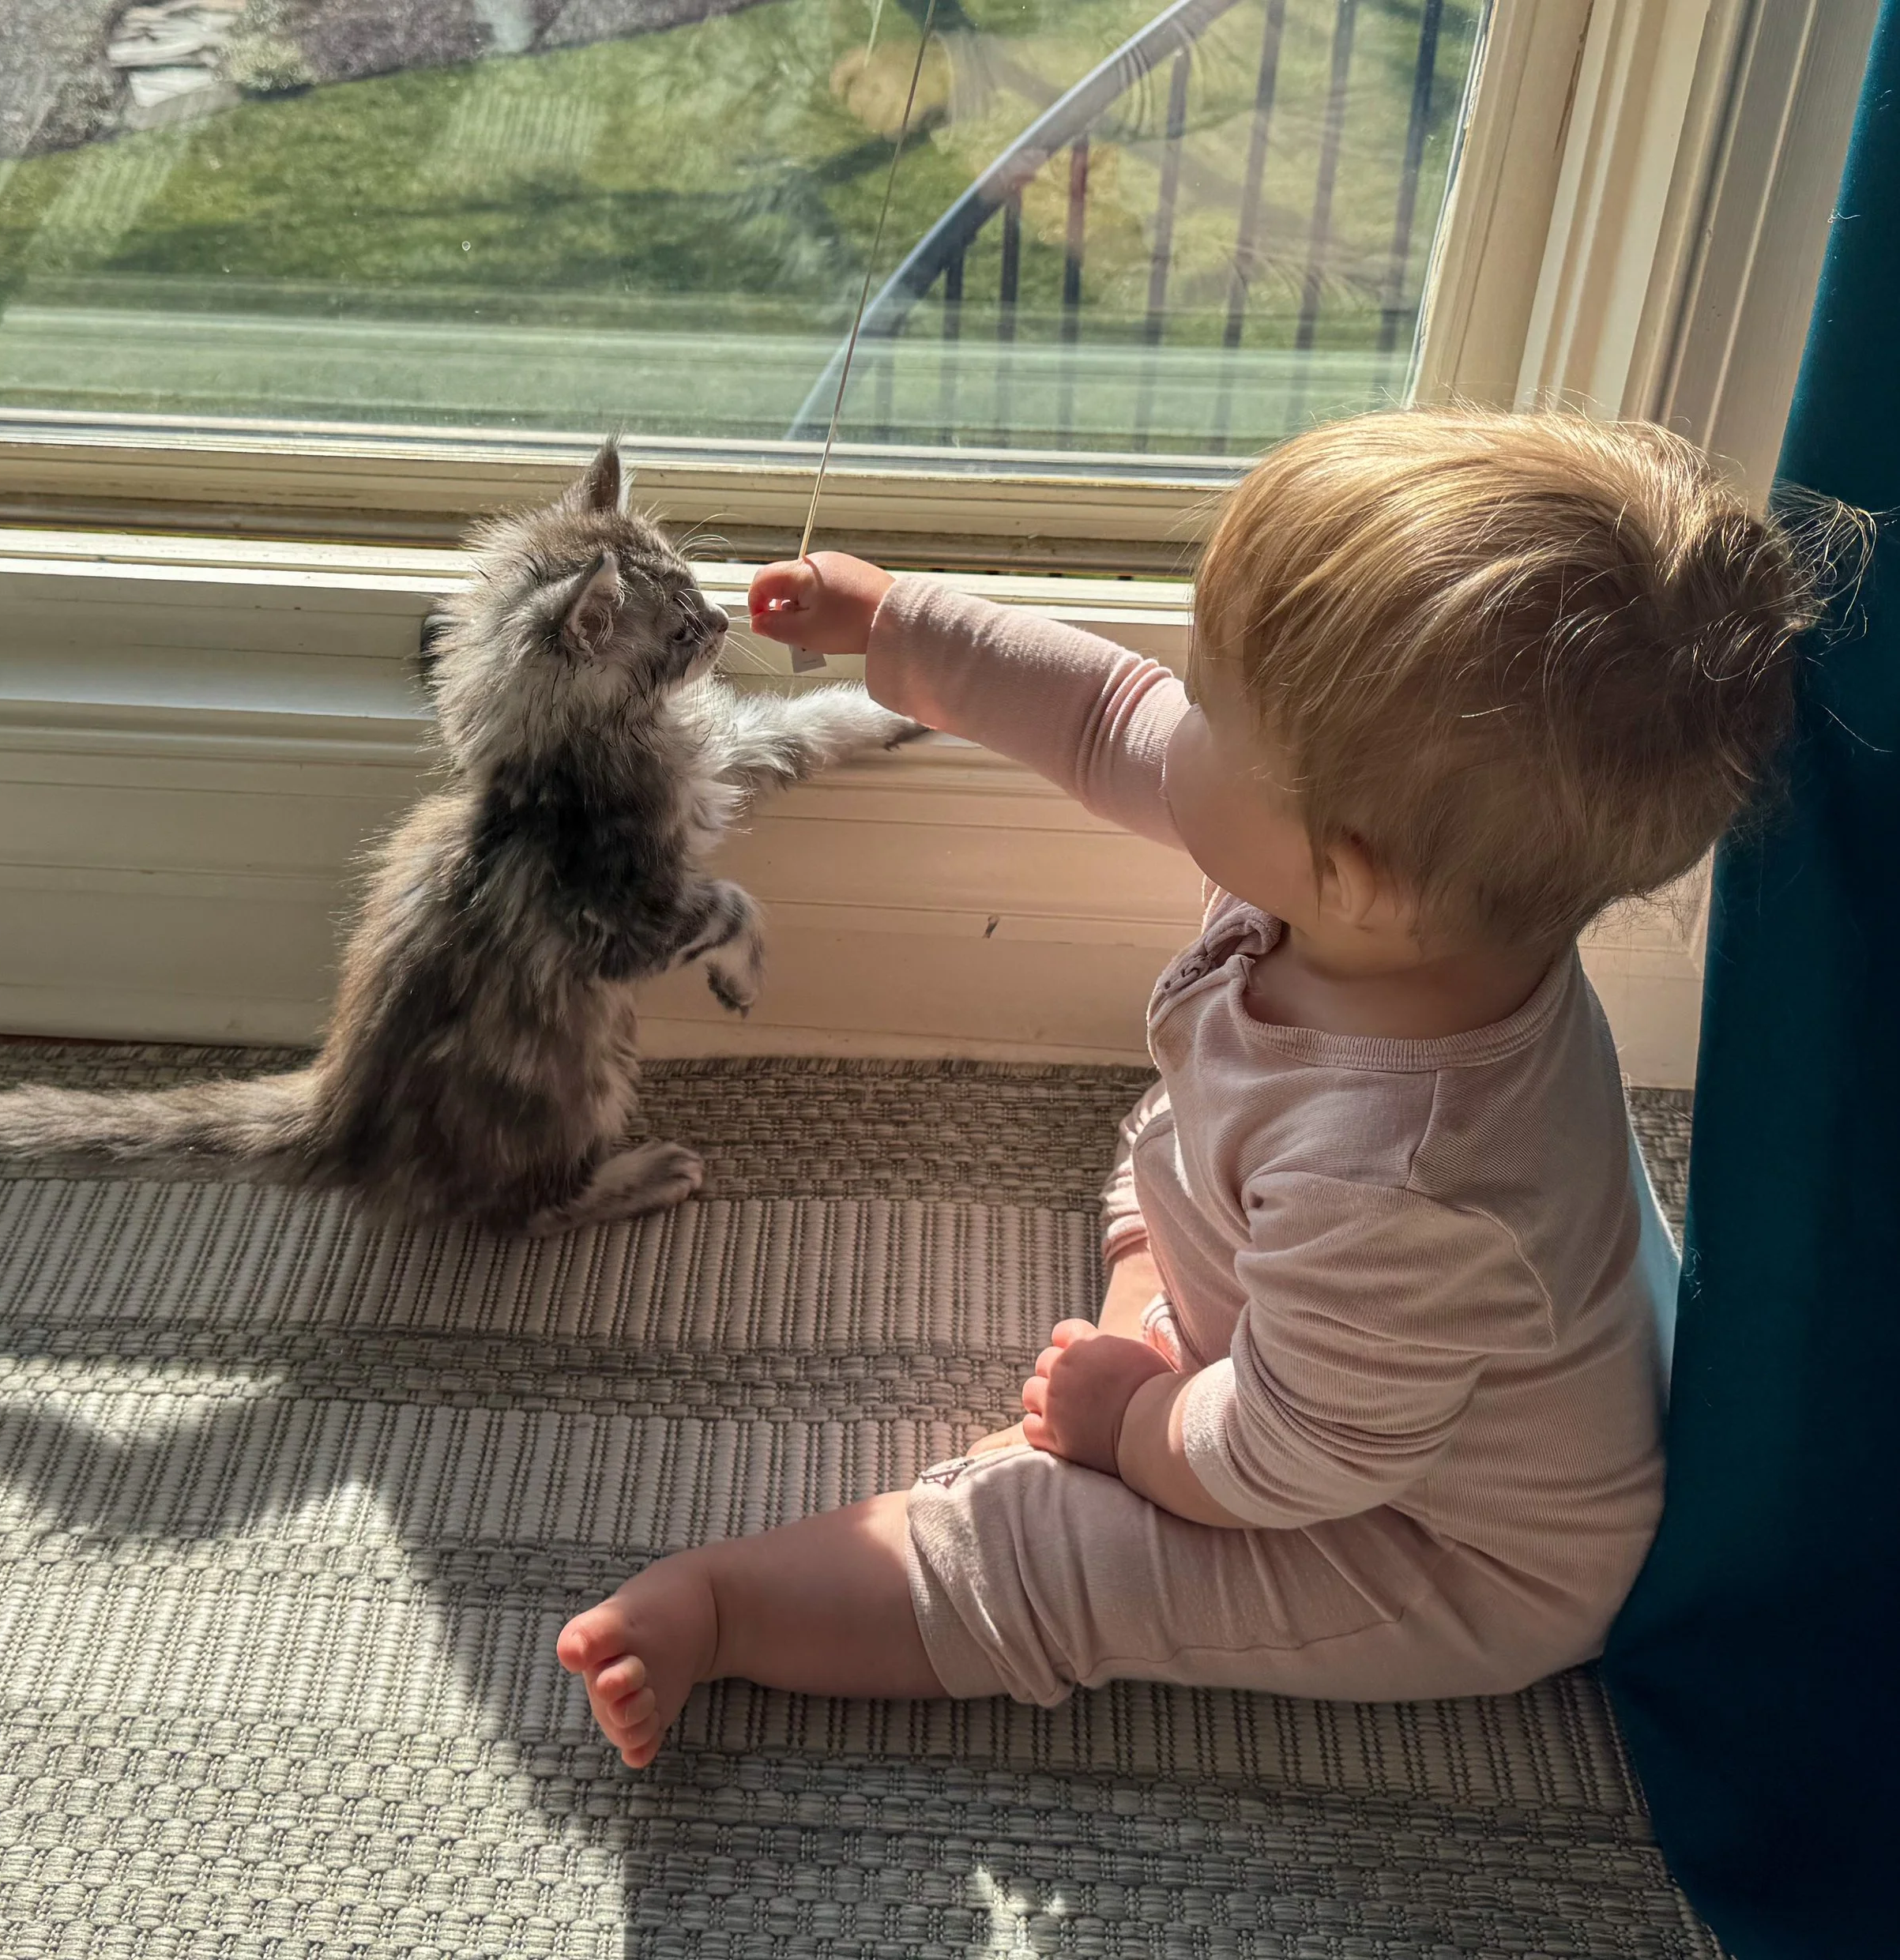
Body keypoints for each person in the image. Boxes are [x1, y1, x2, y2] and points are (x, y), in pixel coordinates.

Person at [557, 408, 1835, 1768]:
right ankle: (1163, 1327)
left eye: (1213, 708)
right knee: (1168, 1136)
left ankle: (728, 1608)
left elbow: (1289, 1466)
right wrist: (900, 628)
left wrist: (1137, 1426)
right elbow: (1103, 712)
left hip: (1431, 1538)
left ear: (1349, 869)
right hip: (1360, 1344)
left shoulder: (1404, 1182)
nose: (1173, 708)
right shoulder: (1393, 903)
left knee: (1055, 1552)